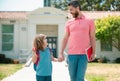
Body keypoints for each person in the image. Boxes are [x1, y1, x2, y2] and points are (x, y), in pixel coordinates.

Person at [58, 1, 96, 81]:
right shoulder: (69, 22)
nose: (70, 12)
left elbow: (92, 37)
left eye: (71, 10)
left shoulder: (89, 21)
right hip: (72, 55)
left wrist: (93, 52)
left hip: (84, 55)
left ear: (77, 8)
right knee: (73, 78)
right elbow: (65, 38)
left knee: (80, 78)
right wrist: (61, 53)